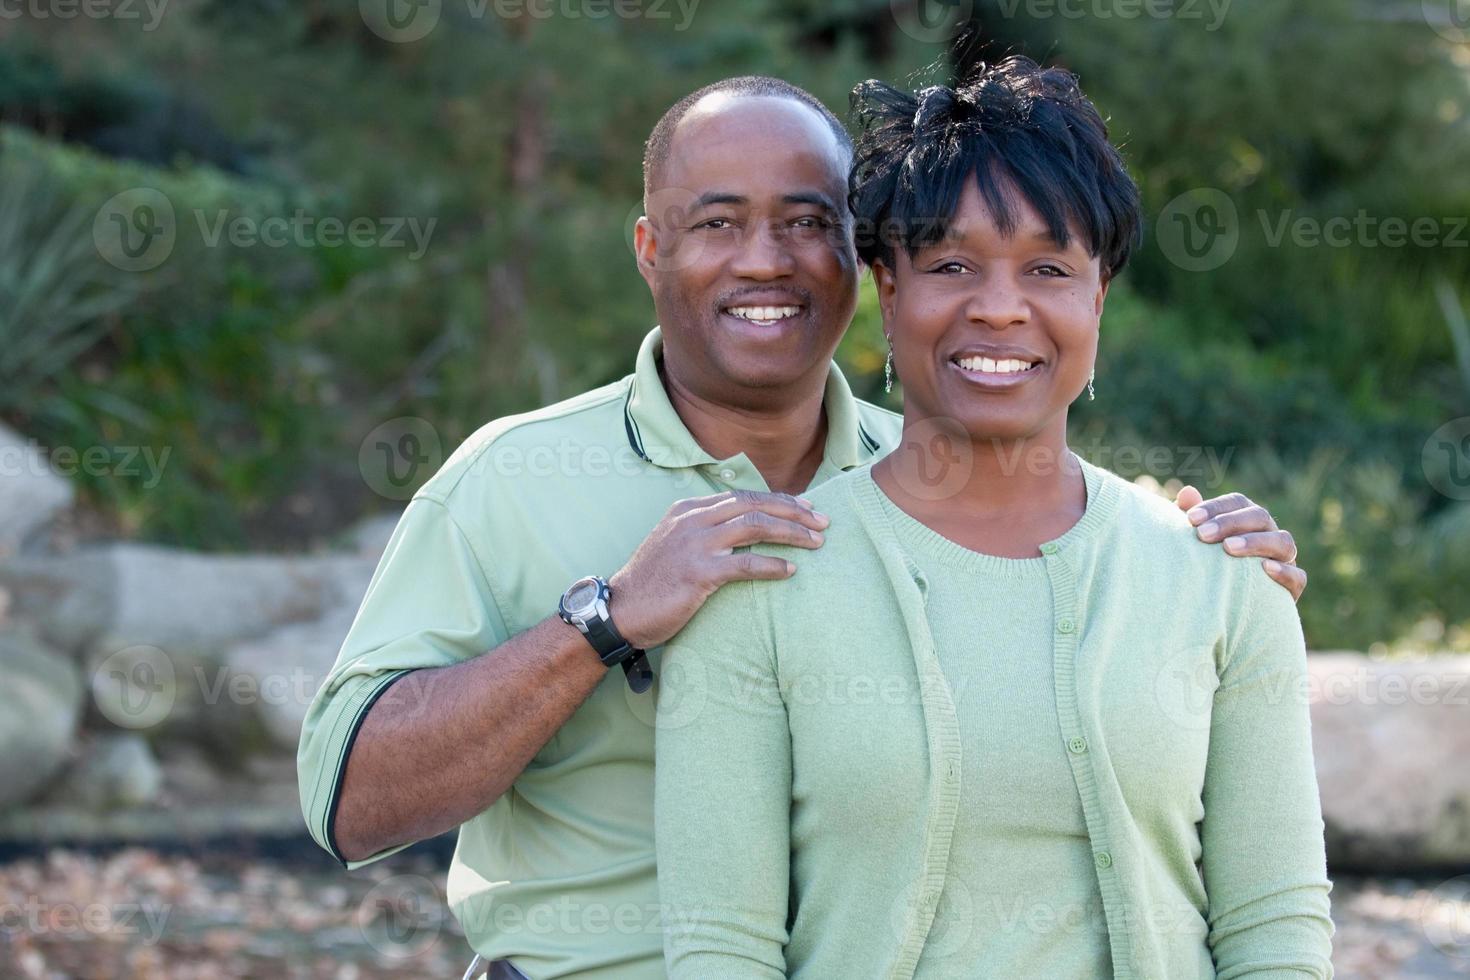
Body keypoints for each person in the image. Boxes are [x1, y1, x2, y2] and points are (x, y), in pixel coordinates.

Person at [298, 75, 1310, 980]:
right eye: (718, 223)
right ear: (651, 248)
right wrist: (602, 624)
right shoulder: (511, 479)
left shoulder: (938, 464)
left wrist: (1201, 570)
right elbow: (347, 804)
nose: (766, 262)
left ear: (860, 256)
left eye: (805, 221)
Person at [653, 59, 1333, 979]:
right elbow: (719, 949)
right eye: (952, 265)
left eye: (1049, 268)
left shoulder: (1222, 583)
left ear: (1097, 299)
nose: (1001, 307)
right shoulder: (762, 581)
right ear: (888, 292)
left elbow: (1276, 931)